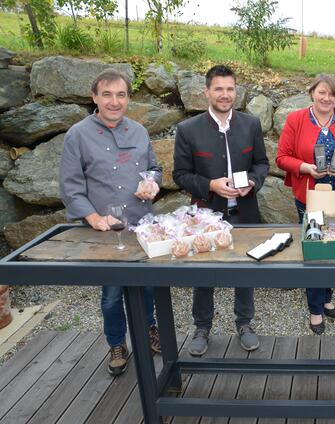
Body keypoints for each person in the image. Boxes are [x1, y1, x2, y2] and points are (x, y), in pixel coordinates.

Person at [59, 69, 162, 376]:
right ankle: (116, 342)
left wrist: (152, 183)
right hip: (105, 231)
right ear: (94, 97)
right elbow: (70, 186)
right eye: (107, 94)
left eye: (121, 95)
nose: (114, 102)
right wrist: (93, 217)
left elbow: (154, 169)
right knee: (112, 293)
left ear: (128, 98)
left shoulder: (140, 132)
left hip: (141, 225)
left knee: (147, 287)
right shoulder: (77, 134)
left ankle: (149, 329)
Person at [173, 64, 269, 356]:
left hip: (245, 212)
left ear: (235, 91)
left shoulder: (250, 125)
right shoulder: (188, 130)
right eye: (219, 89)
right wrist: (210, 185)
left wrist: (252, 181)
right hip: (206, 214)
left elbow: (262, 164)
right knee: (204, 274)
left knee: (245, 271)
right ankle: (202, 327)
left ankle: (245, 323)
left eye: (229, 89)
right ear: (207, 92)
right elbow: (180, 175)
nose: (225, 95)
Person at [276, 74, 335, 335]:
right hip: (311, 197)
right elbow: (282, 157)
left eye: (332, 94)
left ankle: (327, 295)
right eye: (322, 93)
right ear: (312, 93)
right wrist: (305, 167)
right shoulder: (296, 119)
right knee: (316, 250)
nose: (326, 98)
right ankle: (315, 308)